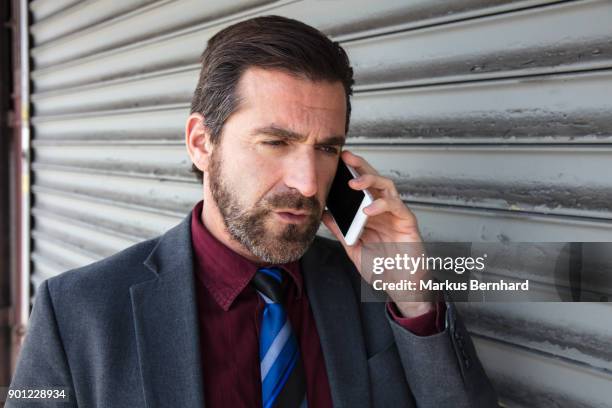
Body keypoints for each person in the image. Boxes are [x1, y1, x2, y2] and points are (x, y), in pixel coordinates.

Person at [8, 15, 498, 408]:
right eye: (275, 142)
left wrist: (412, 295)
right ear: (202, 143)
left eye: (326, 149)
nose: (307, 183)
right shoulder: (77, 311)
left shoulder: (377, 290)